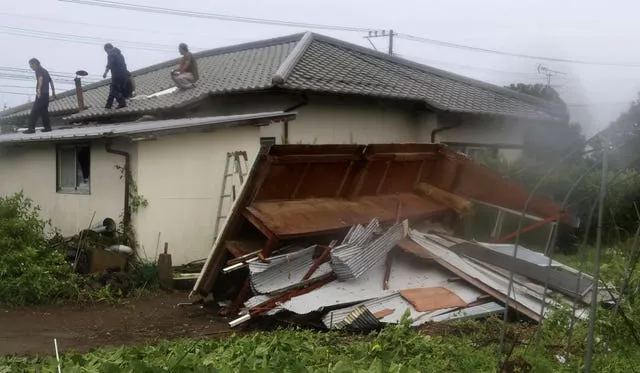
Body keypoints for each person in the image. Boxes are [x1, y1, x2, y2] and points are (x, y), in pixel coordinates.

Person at [25, 58, 55, 134]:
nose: (30, 67)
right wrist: (53, 93)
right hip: (46, 94)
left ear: (35, 64)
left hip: (41, 94)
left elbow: (40, 79)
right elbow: (51, 82)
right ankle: (47, 127)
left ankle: (31, 129)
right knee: (44, 111)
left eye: (31, 65)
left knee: (34, 111)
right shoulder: (45, 71)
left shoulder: (38, 70)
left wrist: (39, 90)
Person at [102, 43, 128, 109]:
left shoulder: (111, 54)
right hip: (124, 75)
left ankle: (122, 102)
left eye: (106, 51)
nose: (106, 53)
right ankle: (108, 105)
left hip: (117, 75)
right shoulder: (120, 54)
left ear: (108, 49)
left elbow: (109, 64)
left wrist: (105, 72)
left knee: (114, 90)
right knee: (113, 88)